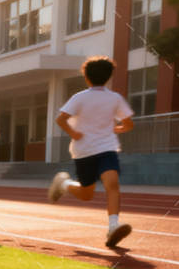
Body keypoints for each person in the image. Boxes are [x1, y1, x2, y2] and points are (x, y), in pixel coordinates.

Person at [48, 56, 136, 248]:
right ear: (109, 77)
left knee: (112, 183)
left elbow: (60, 120)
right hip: (84, 151)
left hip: (107, 148)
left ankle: (113, 226)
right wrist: (76, 133)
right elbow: (129, 125)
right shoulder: (82, 98)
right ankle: (64, 184)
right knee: (86, 194)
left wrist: (75, 132)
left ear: (86, 77)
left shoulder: (113, 99)